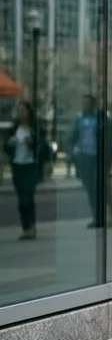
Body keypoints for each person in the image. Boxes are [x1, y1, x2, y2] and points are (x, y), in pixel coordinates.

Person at [68, 94, 112, 228]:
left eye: (87, 103)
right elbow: (72, 138)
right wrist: (73, 155)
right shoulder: (79, 120)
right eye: (83, 103)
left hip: (101, 158)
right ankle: (97, 217)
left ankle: (111, 214)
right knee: (91, 189)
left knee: (105, 186)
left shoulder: (106, 120)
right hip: (85, 158)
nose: (84, 105)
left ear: (93, 104)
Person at [4, 101, 46, 240]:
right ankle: (26, 227)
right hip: (17, 166)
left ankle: (31, 227)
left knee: (27, 196)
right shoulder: (14, 128)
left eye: (23, 110)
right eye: (19, 110)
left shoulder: (35, 128)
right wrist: (10, 143)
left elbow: (43, 147)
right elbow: (5, 147)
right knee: (21, 199)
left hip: (30, 166)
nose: (21, 113)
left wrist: (32, 141)